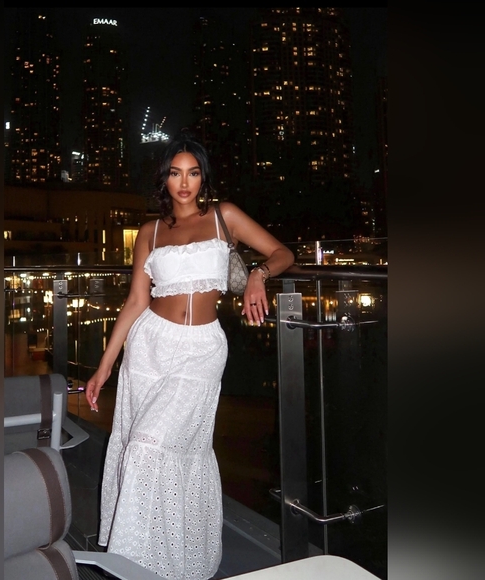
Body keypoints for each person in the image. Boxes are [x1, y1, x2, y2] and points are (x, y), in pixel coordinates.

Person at [85, 130, 295, 579]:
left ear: (203, 178)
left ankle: (149, 560)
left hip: (201, 349)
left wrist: (258, 275)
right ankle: (151, 561)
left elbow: (283, 253)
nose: (185, 183)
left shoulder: (224, 217)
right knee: (141, 445)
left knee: (151, 445)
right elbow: (136, 301)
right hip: (149, 345)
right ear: (164, 179)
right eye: (176, 173)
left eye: (193, 173)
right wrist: (104, 367)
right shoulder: (150, 232)